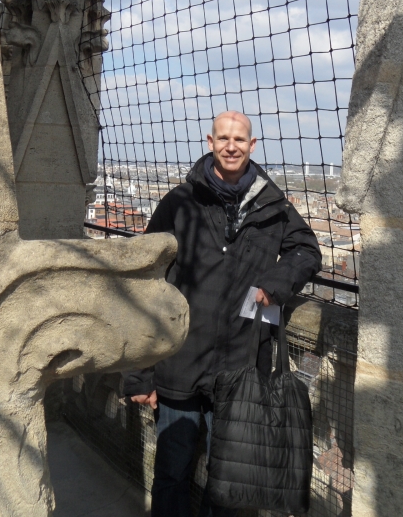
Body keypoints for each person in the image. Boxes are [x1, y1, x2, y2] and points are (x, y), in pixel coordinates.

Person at [121, 111, 321, 517]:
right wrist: (139, 374)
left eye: (240, 139)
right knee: (171, 472)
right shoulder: (179, 202)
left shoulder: (272, 204)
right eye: (224, 138)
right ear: (210, 142)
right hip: (179, 363)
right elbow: (145, 277)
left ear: (252, 145)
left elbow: (306, 251)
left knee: (229, 483)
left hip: (240, 367)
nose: (232, 146)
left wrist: (275, 284)